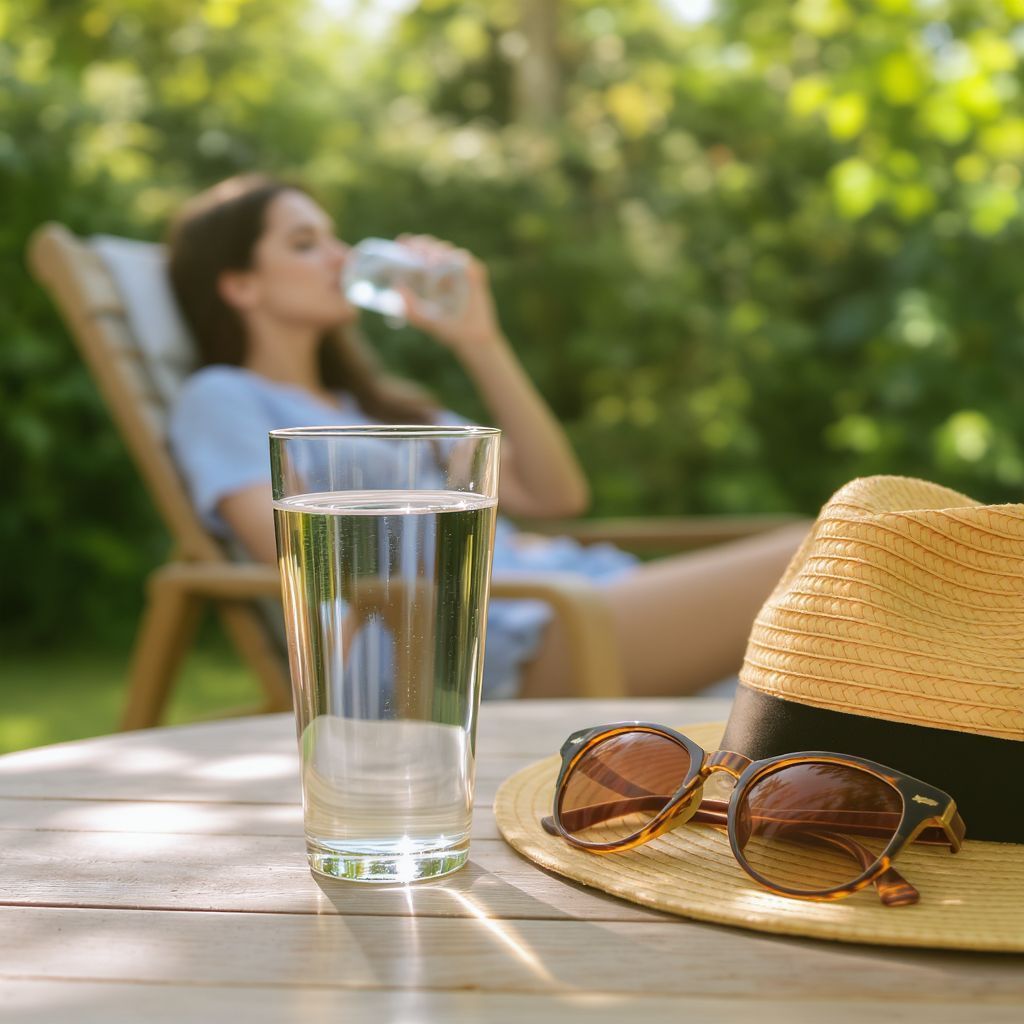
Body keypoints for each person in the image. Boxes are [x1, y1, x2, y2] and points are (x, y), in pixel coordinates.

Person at [167, 174, 807, 699]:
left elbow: (554, 494)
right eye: (306, 244)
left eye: (334, 237)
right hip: (477, 641)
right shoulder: (222, 397)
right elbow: (296, 558)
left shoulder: (377, 405)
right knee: (840, 547)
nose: (341, 256)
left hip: (567, 592)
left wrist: (479, 339)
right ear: (239, 284)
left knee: (842, 671)